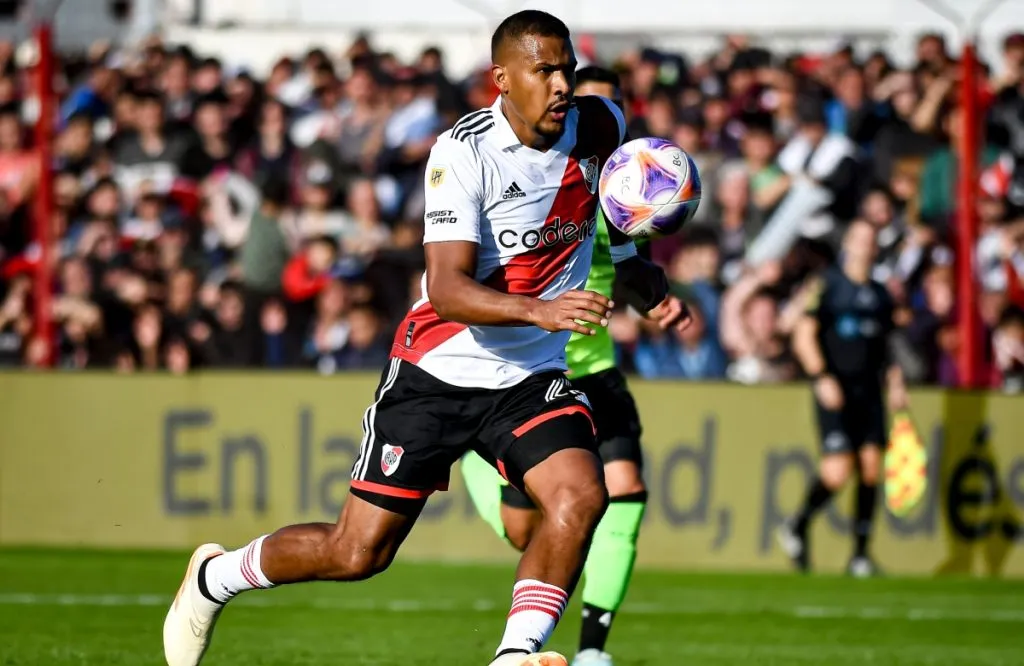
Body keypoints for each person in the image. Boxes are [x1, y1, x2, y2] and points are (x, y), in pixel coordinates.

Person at [161, 11, 688, 666]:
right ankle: (218, 577)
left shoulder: (602, 127)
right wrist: (541, 311)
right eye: (544, 70)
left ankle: (514, 656)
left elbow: (611, 231)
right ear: (502, 78)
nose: (560, 86)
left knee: (581, 496)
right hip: (438, 370)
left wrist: (649, 290)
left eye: (567, 70)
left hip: (529, 380)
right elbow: (446, 289)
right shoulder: (463, 152)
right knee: (356, 553)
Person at [460, 65, 665, 666]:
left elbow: (630, 271)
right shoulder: (545, 179)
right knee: (532, 529)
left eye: (610, 110)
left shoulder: (631, 193)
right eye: (585, 107)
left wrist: (659, 296)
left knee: (625, 489)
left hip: (595, 370)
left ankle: (594, 652)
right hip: (528, 372)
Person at [776, 219, 909, 577]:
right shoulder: (829, 286)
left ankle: (860, 555)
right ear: (848, 243)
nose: (866, 245)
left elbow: (887, 348)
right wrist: (821, 377)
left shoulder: (881, 294)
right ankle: (798, 524)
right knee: (837, 471)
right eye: (859, 238)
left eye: (871, 239)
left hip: (870, 390)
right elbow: (804, 335)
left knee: (871, 468)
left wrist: (896, 383)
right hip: (836, 386)